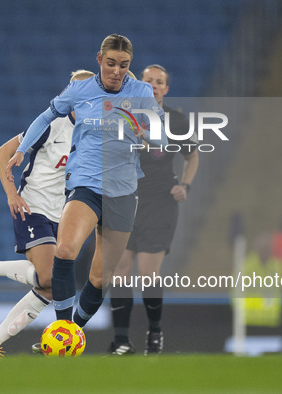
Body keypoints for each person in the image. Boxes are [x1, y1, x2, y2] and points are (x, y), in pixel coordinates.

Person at [6, 34, 164, 332]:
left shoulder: (142, 93)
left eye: (124, 65)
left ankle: (73, 331)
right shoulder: (81, 91)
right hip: (86, 185)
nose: (117, 70)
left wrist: (147, 135)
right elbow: (45, 117)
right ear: (99, 60)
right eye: (111, 63)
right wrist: (22, 149)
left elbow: (162, 139)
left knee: (102, 277)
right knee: (65, 251)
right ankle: (63, 331)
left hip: (124, 193)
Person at [0, 70, 95, 358]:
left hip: (64, 215)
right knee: (51, 278)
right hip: (32, 207)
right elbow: (2, 153)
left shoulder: (94, 133)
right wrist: (12, 194)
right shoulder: (51, 124)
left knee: (50, 288)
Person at [108, 64, 200, 355]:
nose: (155, 86)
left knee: (148, 273)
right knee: (120, 271)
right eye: (149, 81)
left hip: (160, 202)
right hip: (125, 200)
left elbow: (192, 155)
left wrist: (185, 186)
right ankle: (121, 339)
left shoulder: (176, 120)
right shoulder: (122, 116)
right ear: (140, 85)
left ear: (166, 89)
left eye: (160, 82)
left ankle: (155, 334)